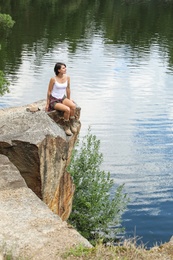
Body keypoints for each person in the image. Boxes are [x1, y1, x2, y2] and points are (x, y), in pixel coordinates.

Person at [45, 62, 77, 136]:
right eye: (63, 68)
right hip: (54, 100)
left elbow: (68, 89)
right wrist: (47, 103)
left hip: (62, 97)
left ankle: (72, 124)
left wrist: (69, 99)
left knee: (73, 106)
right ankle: (66, 127)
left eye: (65, 67)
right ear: (58, 70)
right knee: (67, 109)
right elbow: (49, 91)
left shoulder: (67, 77)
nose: (65, 69)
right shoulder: (53, 79)